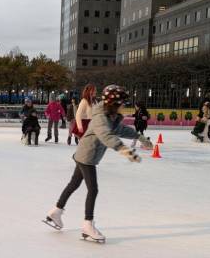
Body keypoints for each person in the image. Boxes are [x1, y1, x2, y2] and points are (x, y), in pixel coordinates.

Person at [45, 85, 153, 243]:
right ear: (114, 103)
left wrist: (140, 137)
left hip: (87, 153)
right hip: (87, 155)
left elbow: (120, 129)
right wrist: (126, 151)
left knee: (74, 184)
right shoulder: (100, 116)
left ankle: (56, 211)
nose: (124, 105)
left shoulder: (111, 115)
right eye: (122, 102)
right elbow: (106, 135)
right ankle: (88, 225)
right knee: (93, 189)